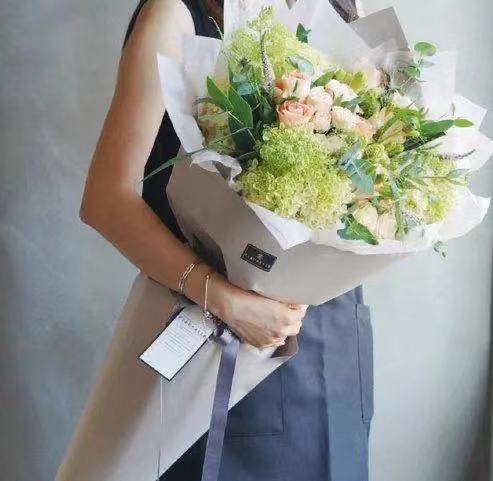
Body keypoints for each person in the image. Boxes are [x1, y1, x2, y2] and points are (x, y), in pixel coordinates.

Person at [79, 1, 373, 480]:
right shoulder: (175, 15)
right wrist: (228, 303)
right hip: (221, 328)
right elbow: (105, 200)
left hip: (330, 330)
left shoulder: (343, 8)